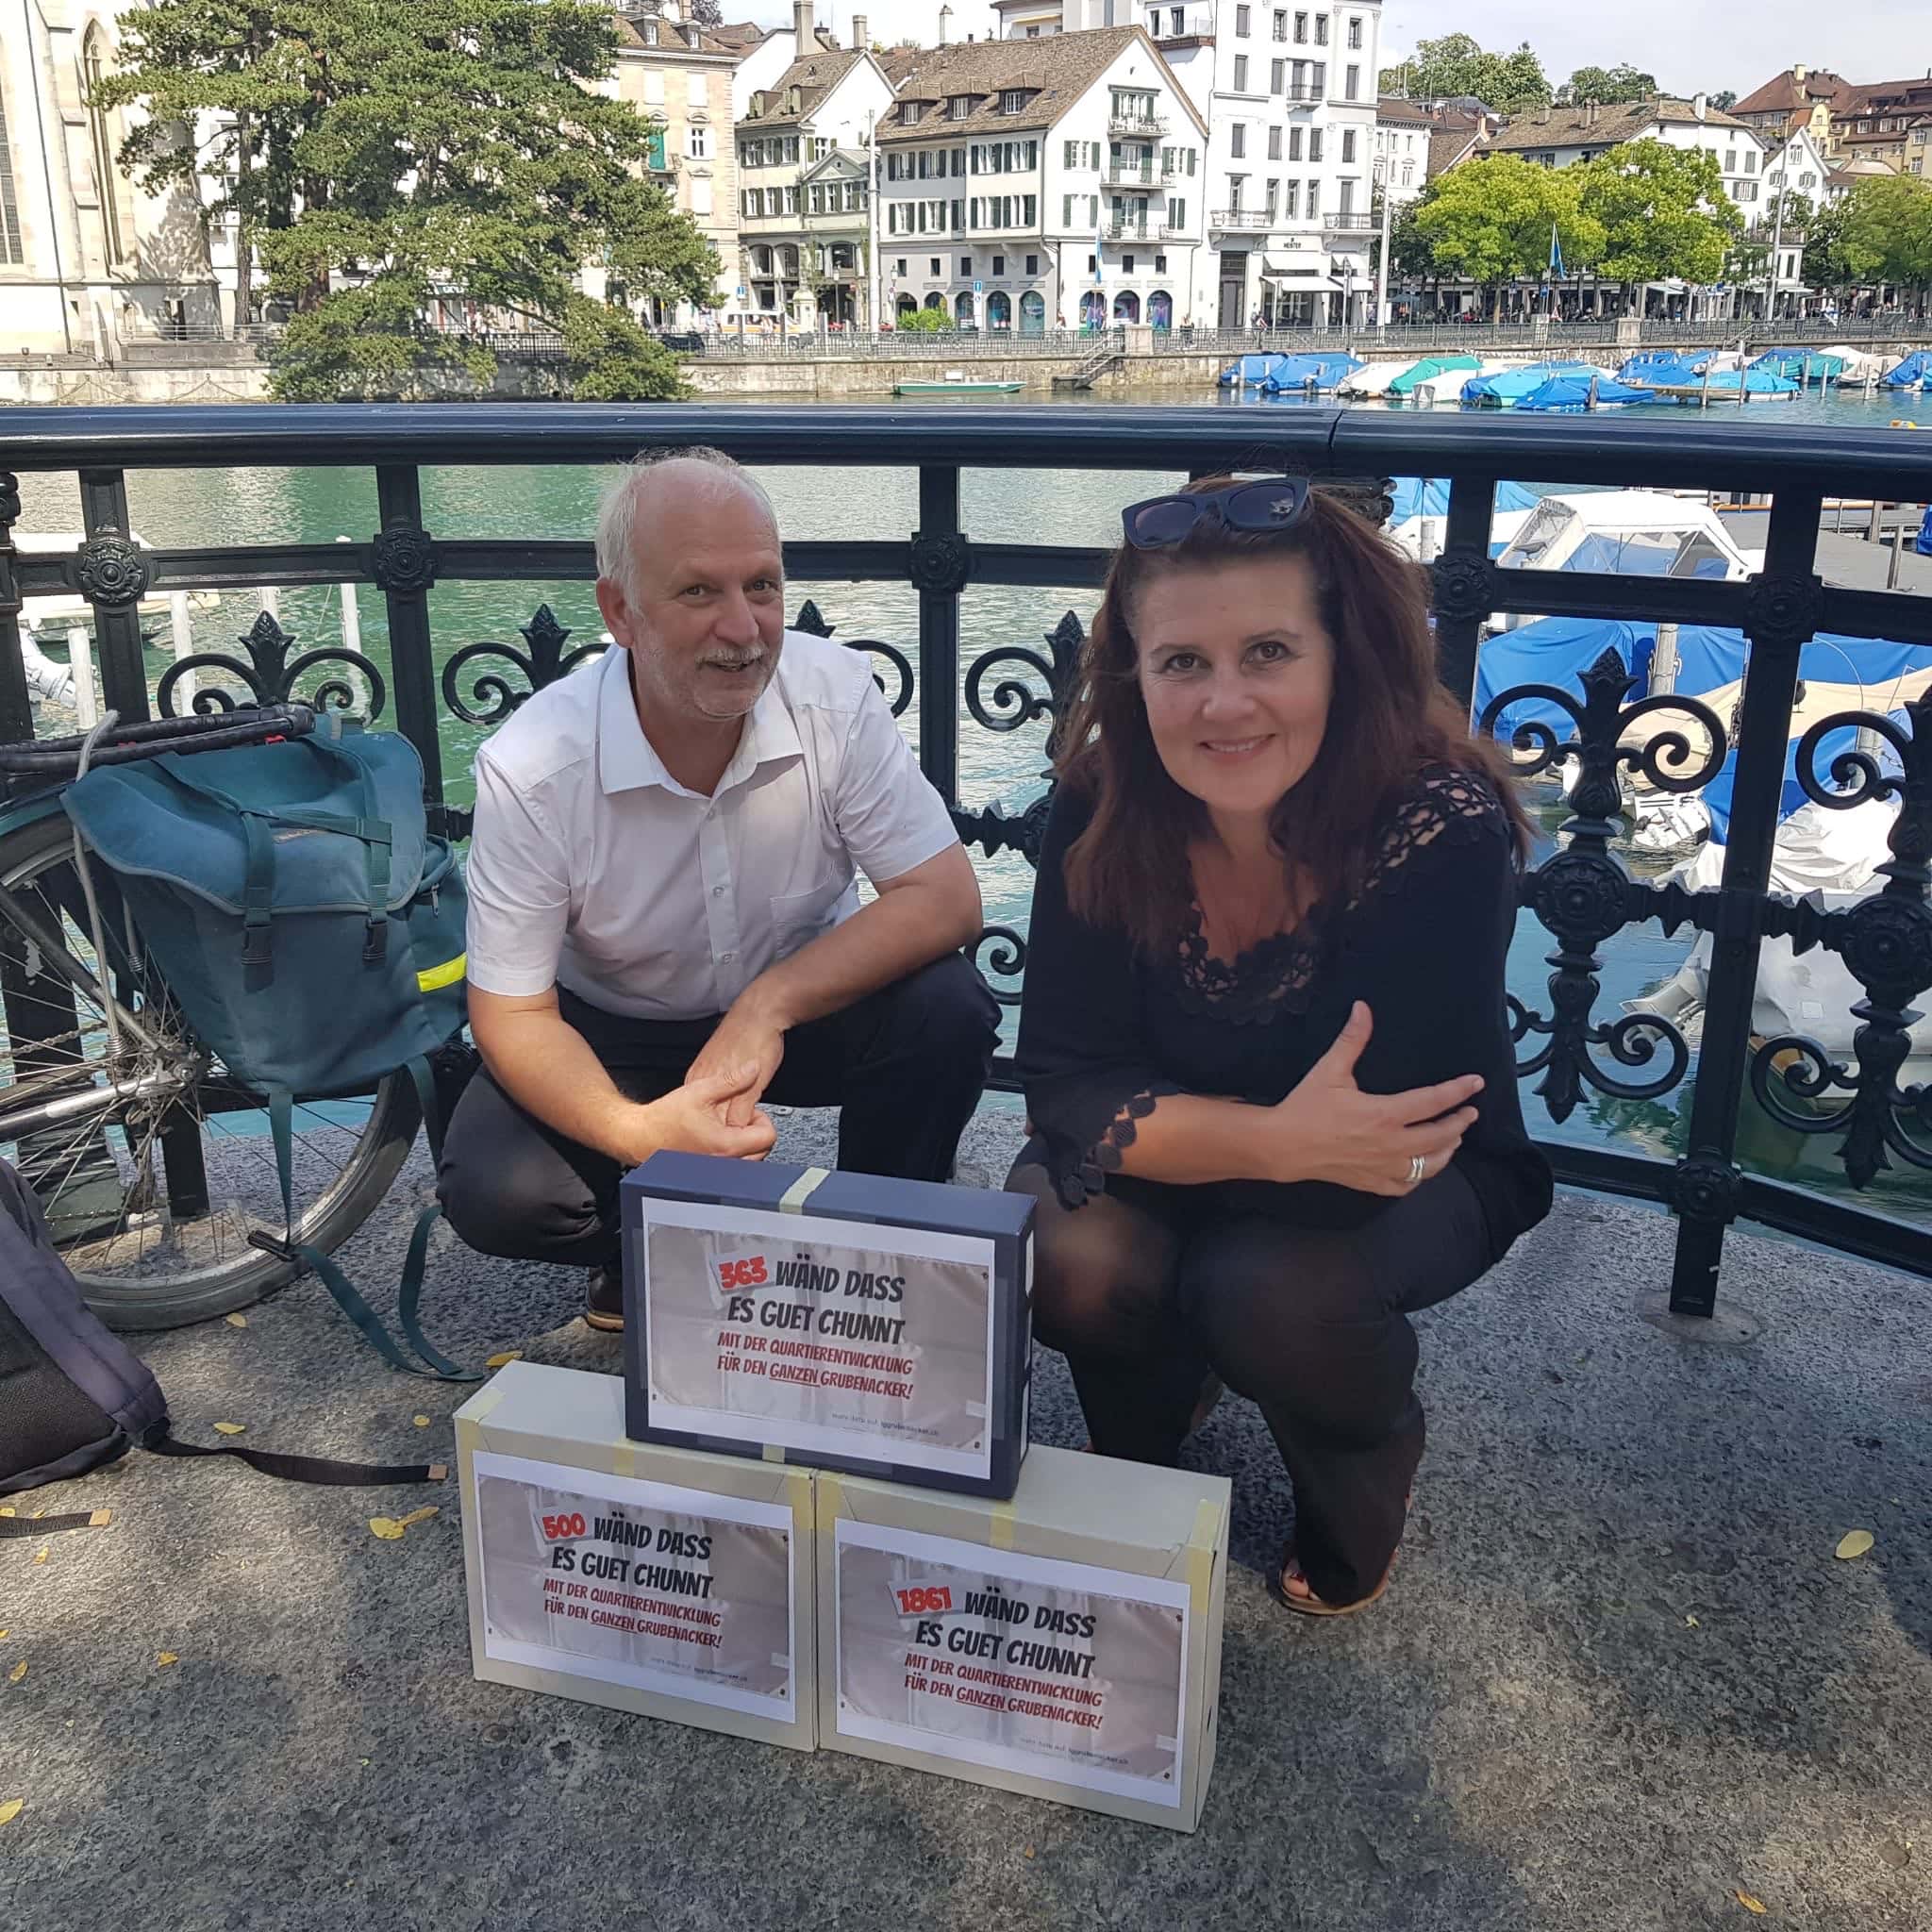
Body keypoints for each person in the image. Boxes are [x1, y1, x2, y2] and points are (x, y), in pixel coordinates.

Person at [1009, 475, 1553, 1616]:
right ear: (1135, 674)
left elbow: (1377, 1149)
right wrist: (1269, 1138)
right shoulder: (1102, 796)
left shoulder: (1437, 824)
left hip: (1415, 1175)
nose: (1223, 703)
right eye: (1181, 662)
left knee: (1266, 1289)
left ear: (1342, 657)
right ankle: (1150, 1431)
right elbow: (1061, 1085)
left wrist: (1197, 1139)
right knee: (1069, 1251)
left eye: (1267, 651)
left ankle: (1365, 1451)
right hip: (1240, 1154)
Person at [440, 447, 999, 1331]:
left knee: (950, 1011)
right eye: (699, 592)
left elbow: (944, 896)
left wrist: (768, 1005)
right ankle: (650, 1243)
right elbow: (512, 1011)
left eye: (762, 586)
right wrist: (638, 1135)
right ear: (620, 612)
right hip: (616, 1023)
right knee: (499, 1191)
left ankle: (877, 1243)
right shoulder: (534, 764)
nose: (744, 629)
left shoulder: (834, 696)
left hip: (801, 1005)